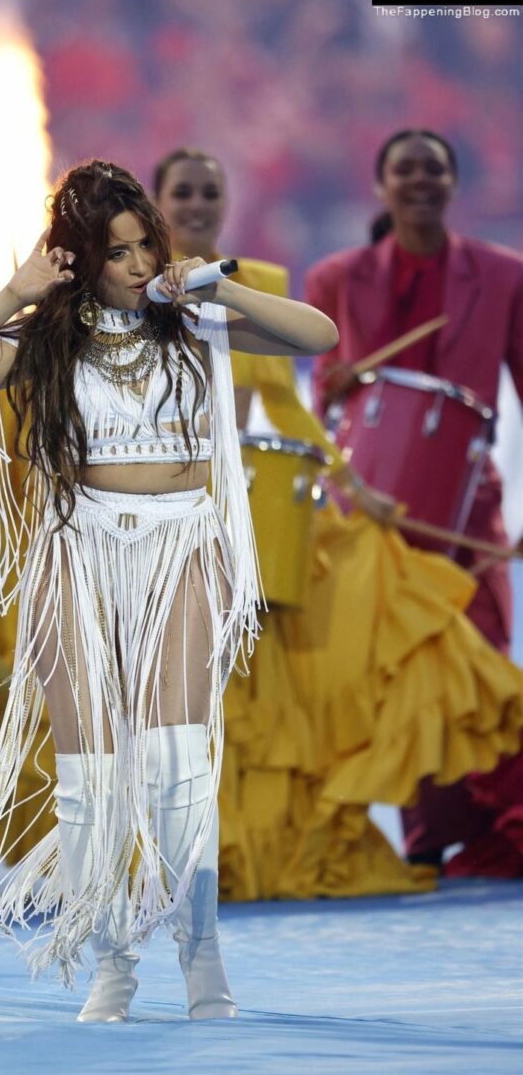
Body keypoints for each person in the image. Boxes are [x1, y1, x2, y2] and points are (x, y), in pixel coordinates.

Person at [0, 159, 338, 1022]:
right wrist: (11, 293)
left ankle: (200, 949)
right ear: (82, 259)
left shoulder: (195, 323)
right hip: (77, 548)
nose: (138, 264)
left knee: (180, 762)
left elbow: (319, 335)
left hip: (182, 542)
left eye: (146, 245)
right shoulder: (44, 339)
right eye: (117, 252)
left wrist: (224, 287)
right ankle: (112, 961)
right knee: (92, 771)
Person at [153, 147, 522, 898]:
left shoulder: (259, 286)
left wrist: (354, 484)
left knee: (400, 617)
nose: (197, 205)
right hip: (149, 516)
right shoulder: (124, 291)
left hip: (247, 513)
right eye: (183, 192)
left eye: (210, 192)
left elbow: (290, 407)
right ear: (156, 201)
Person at [306, 128, 523, 870]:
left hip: (470, 506)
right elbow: (326, 402)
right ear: (381, 187)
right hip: (371, 508)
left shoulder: (503, 275)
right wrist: (336, 386)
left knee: (481, 655)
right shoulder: (336, 277)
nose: (420, 181)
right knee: (391, 669)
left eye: (434, 169)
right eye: (405, 170)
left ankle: (492, 826)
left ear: (453, 183)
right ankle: (429, 838)